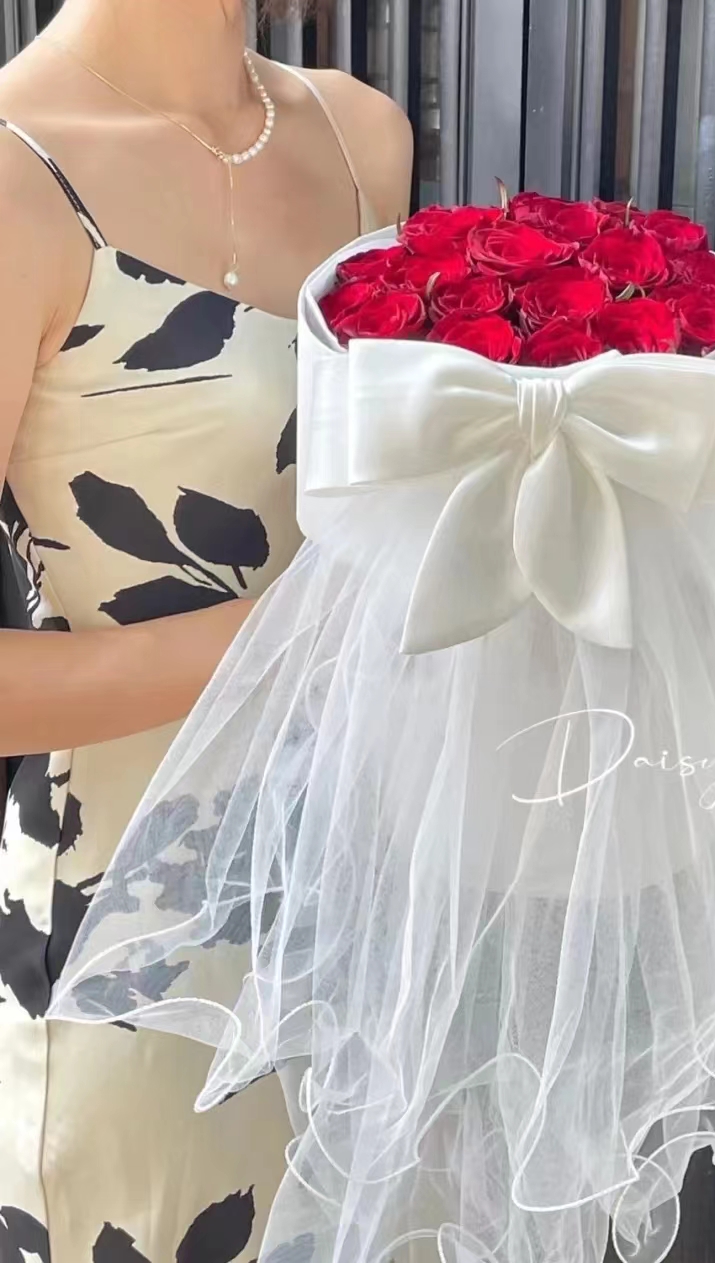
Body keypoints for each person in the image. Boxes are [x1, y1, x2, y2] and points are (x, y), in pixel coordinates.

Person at [0, 0, 412, 1256]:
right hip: (131, 946)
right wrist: (296, 634)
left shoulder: (363, 136)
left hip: (368, 908)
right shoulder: (16, 173)